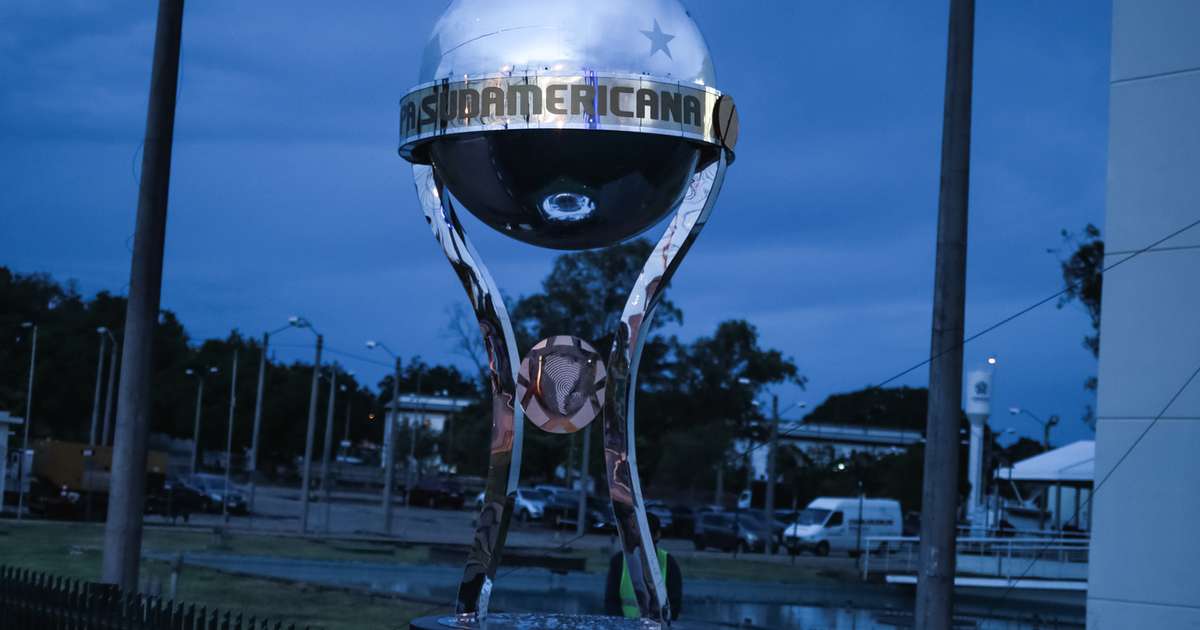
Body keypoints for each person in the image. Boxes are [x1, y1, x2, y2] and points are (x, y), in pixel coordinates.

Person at [604, 513, 682, 620]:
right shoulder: (619, 561)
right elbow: (611, 603)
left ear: (657, 535)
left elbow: (674, 606)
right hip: (625, 625)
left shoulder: (668, 562)